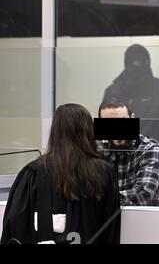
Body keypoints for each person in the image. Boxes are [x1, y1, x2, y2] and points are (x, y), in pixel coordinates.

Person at [1, 104, 120, 244]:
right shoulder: (103, 172)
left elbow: (15, 225)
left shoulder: (32, 173)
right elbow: (111, 228)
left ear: (55, 131)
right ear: (88, 131)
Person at [98, 99, 159, 206]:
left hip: (143, 219)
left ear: (132, 119)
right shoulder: (97, 148)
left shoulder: (150, 149)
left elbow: (144, 194)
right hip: (105, 219)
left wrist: (98, 201)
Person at [102, 44, 159, 146]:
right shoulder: (115, 91)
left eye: (144, 62)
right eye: (136, 63)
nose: (141, 68)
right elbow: (107, 135)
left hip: (156, 150)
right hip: (122, 154)